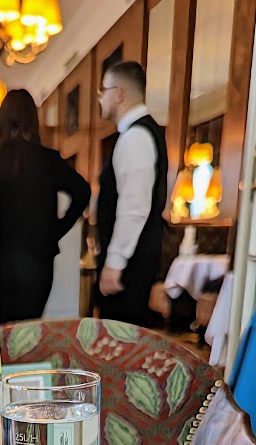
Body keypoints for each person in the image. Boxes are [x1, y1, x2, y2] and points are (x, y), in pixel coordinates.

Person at [0, 89, 90, 325]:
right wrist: (56, 229)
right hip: (37, 261)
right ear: (33, 120)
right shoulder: (48, 160)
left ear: (0, 120)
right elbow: (83, 191)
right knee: (28, 329)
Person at [96, 58, 168, 326]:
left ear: (119, 93)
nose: (101, 99)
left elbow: (134, 206)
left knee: (121, 340)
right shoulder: (138, 133)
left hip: (130, 265)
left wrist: (115, 261)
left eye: (103, 91)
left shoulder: (135, 137)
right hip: (134, 260)